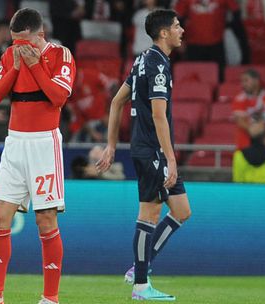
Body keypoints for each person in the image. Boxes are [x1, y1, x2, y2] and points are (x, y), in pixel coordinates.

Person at [0, 8, 76, 304]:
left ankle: (50, 298)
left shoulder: (61, 55)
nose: (17, 47)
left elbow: (58, 98)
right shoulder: (10, 56)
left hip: (44, 145)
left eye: (23, 42)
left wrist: (36, 66)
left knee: (45, 220)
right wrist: (16, 66)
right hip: (14, 143)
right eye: (14, 42)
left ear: (39, 36)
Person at [96, 9, 191, 301]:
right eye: (176, 26)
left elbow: (116, 101)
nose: (181, 30)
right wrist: (171, 158)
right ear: (164, 33)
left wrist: (112, 145)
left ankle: (140, 266)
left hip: (148, 148)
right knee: (149, 214)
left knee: (182, 210)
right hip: (153, 150)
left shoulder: (142, 60)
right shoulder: (158, 66)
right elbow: (159, 116)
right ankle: (140, 285)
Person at [232, 69, 265, 150]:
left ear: (256, 81)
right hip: (244, 147)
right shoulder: (240, 99)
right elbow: (241, 122)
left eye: (246, 80)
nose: (243, 84)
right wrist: (262, 132)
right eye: (241, 81)